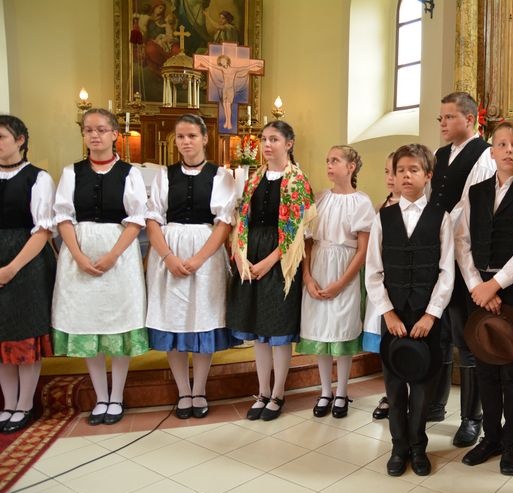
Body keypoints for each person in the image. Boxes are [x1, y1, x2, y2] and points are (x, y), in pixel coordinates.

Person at [455, 120, 513, 475]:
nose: (509, 150)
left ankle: (511, 443)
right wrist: (477, 285)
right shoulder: (476, 192)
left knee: (511, 371)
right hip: (477, 289)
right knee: (484, 367)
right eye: (502, 144)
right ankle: (491, 437)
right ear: (491, 151)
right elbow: (462, 241)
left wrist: (495, 285)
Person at [52, 109, 149, 425]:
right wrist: (78, 256)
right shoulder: (71, 172)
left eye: (101, 130)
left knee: (117, 324)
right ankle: (100, 397)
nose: (94, 135)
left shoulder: (129, 173)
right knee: (89, 322)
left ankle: (116, 396)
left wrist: (112, 256)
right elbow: (63, 217)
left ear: (114, 134)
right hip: (78, 256)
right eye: (89, 130)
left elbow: (136, 219)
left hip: (119, 259)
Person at [365, 143, 454, 476]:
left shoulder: (441, 218)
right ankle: (398, 446)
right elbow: (373, 271)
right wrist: (387, 312)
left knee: (422, 386)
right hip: (394, 315)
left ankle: (418, 446)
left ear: (427, 175)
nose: (405, 176)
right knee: (394, 385)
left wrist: (431, 315)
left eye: (413, 170)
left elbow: (447, 271)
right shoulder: (383, 218)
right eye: (400, 170)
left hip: (426, 317)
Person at [145, 114, 238, 419]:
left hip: (206, 254)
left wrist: (199, 258)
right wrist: (167, 257)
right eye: (181, 137)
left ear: (204, 138)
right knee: (173, 321)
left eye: (192, 136)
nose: (186, 142)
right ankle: (183, 391)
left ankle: (199, 389)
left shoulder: (220, 176)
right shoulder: (164, 175)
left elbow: (224, 222)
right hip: (169, 251)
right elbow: (153, 218)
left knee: (202, 318)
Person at [228, 120, 316, 422]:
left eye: (274, 139)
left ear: (288, 144)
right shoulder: (254, 178)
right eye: (264, 139)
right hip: (251, 255)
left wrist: (268, 262)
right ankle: (262, 391)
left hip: (280, 261)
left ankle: (278, 394)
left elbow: (295, 231)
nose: (266, 145)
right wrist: (241, 256)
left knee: (277, 331)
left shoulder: (297, 181)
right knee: (259, 331)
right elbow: (243, 220)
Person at [428, 91, 496, 449]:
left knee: (467, 338)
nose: (442, 123)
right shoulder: (440, 155)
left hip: (465, 254)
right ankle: (435, 404)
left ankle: (472, 418)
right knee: (439, 332)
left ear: (469, 119)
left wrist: (439, 231)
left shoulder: (484, 156)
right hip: (439, 254)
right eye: (440, 118)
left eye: (449, 117)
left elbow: (468, 208)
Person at [297, 145, 373, 418]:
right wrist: (307, 277)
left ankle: (341, 391)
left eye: (336, 160)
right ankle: (325, 391)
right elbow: (307, 242)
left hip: (345, 270)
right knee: (321, 330)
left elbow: (363, 250)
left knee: (341, 330)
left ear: (351, 167)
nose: (329, 165)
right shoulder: (320, 198)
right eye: (327, 160)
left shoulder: (361, 202)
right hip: (318, 267)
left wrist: (341, 283)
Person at [0, 115, 57, 433]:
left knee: (23, 335)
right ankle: (8, 403)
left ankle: (24, 405)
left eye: (1, 137)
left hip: (26, 261)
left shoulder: (37, 178)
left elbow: (43, 229)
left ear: (20, 140)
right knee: (1, 338)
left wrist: (11, 268)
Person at [364, 152, 401, 420]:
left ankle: (410, 393)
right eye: (387, 172)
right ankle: (390, 393)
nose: (390, 178)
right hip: (383, 283)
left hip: (406, 283)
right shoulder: (382, 208)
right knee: (387, 344)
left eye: (395, 172)